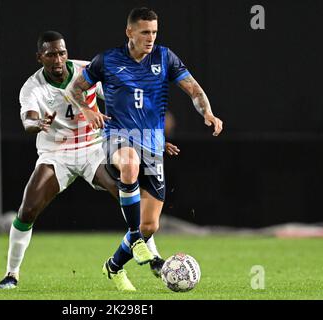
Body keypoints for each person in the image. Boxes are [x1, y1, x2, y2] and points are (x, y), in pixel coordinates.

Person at [0, 31, 177, 290]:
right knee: (28, 209)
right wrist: (38, 123)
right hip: (56, 154)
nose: (58, 59)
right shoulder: (32, 87)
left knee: (127, 190)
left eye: (61, 52)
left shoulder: (85, 71)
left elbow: (120, 100)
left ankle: (151, 256)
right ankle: (12, 274)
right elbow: (28, 120)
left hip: (93, 147)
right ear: (39, 58)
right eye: (51, 54)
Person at [67, 7, 223, 291]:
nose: (150, 38)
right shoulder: (108, 60)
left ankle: (113, 267)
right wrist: (87, 110)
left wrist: (207, 113)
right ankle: (136, 239)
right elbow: (75, 89)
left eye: (154, 32)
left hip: (152, 144)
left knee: (150, 225)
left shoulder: (165, 57)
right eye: (144, 32)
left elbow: (195, 91)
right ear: (129, 32)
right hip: (118, 135)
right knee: (128, 164)